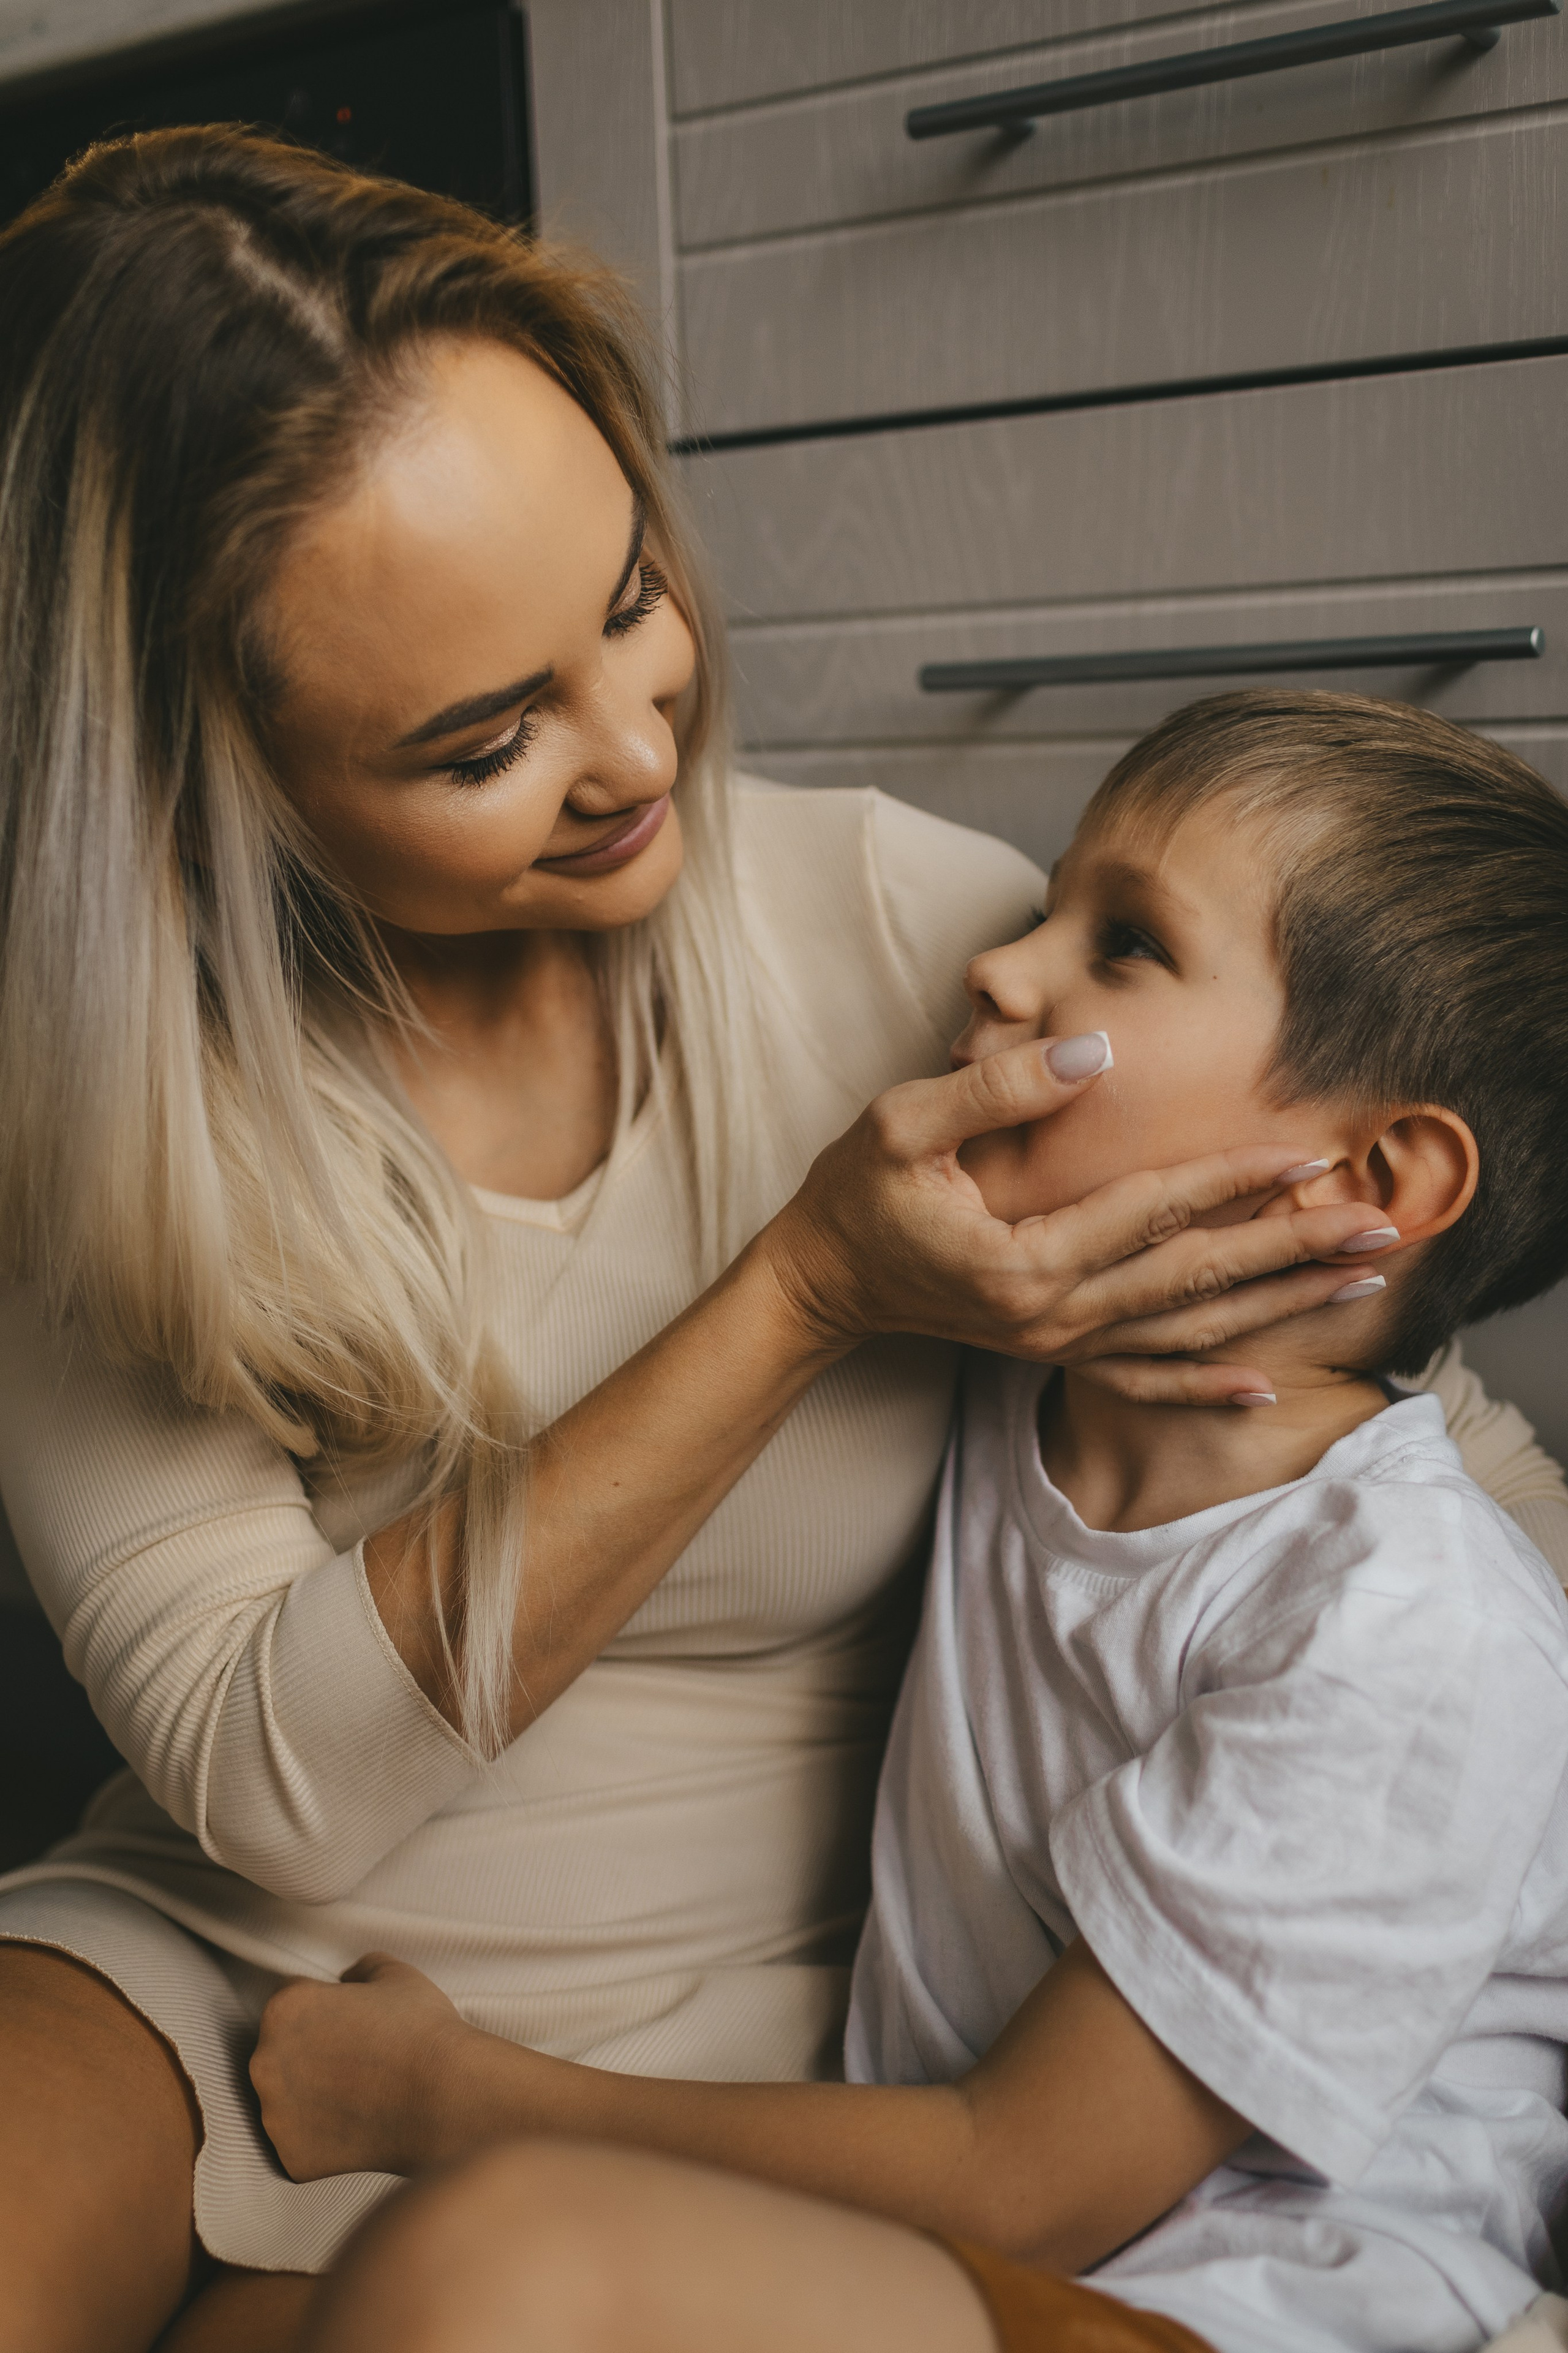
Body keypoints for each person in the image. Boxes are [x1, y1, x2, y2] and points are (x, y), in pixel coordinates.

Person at [0, 128, 1559, 2353]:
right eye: (485, 732)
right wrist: (806, 1286)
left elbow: (1384, 1420)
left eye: (630, 599)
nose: (643, 750)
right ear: (203, 777)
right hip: (235, 1928)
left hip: (729, 2040)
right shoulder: (86, 1106)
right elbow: (268, 1775)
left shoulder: (920, 939)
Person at [251, 693, 1568, 2353]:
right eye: (1042, 912)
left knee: (485, 2269)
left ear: (1369, 1181)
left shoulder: (1408, 1631)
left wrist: (448, 2097)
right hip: (982, 2258)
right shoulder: (1016, 1382)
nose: (1006, 972)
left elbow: (1018, 2179)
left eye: (1129, 943)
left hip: (1256, 2315)